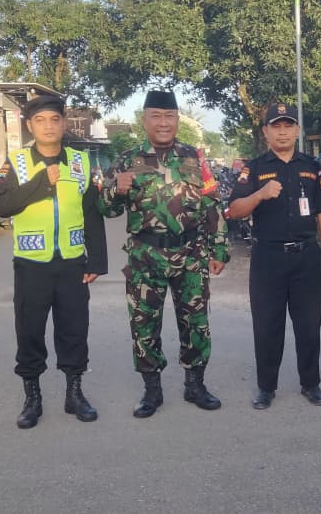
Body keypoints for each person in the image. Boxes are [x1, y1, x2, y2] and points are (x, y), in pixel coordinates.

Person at [98, 90, 230, 418]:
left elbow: (213, 204)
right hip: (145, 256)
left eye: (169, 116)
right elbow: (105, 208)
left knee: (196, 323)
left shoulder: (195, 158)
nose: (163, 123)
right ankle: (151, 391)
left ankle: (195, 385)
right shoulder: (127, 160)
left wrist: (219, 249)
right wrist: (117, 188)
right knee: (144, 325)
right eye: (155, 116)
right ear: (144, 120)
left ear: (177, 120)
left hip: (190, 253)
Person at [0, 95, 106, 428]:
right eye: (40, 120)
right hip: (31, 263)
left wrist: (95, 260)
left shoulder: (81, 162)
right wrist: (43, 181)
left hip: (72, 263)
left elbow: (92, 214)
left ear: (64, 123)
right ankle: (32, 398)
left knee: (74, 330)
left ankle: (74, 394)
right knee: (29, 331)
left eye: (54, 119)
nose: (48, 126)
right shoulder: (17, 162)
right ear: (30, 125)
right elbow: (1, 205)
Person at [227, 102, 321, 409]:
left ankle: (310, 383)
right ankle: (266, 386)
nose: (283, 131)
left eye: (288, 125)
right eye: (276, 126)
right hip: (268, 258)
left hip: (306, 258)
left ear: (297, 130)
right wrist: (259, 194)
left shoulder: (312, 167)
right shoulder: (255, 169)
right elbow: (233, 210)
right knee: (266, 326)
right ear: (266, 132)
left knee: (308, 325)